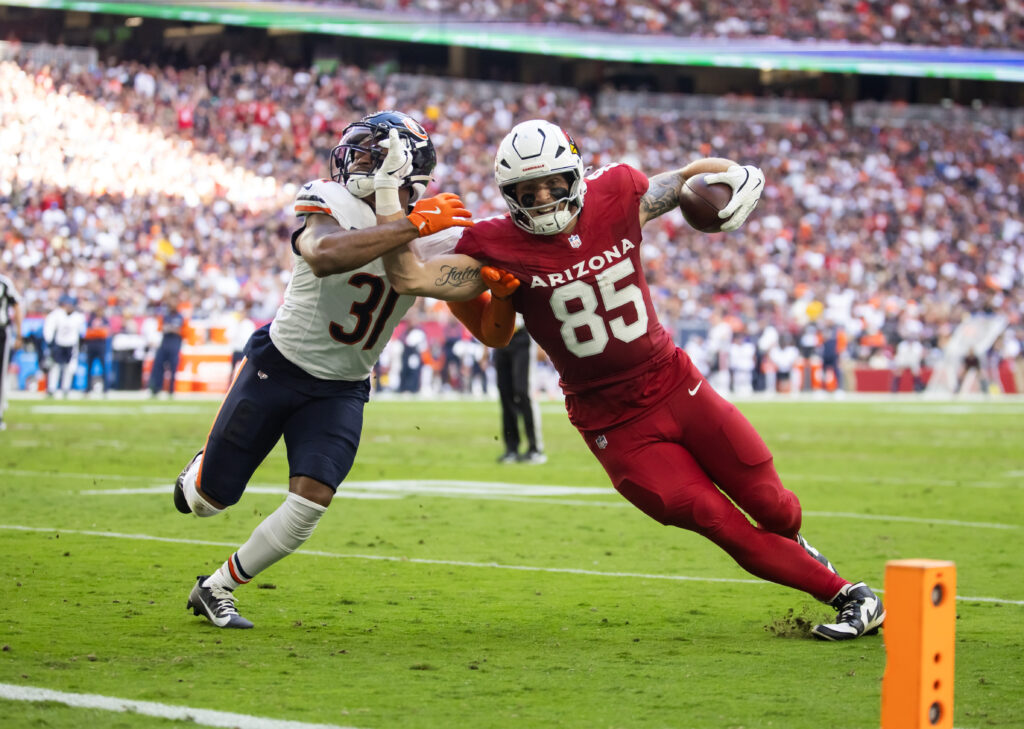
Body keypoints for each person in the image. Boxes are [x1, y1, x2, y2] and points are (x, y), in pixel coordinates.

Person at [384, 119, 885, 641]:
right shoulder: (495, 243)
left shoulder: (617, 191)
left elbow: (689, 175)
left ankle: (801, 551)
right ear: (508, 195)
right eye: (527, 191)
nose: (543, 197)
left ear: (574, 174)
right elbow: (411, 277)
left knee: (775, 508)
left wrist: (739, 175)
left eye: (553, 184)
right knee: (722, 524)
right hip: (615, 423)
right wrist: (400, 218)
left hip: (674, 383)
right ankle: (852, 596)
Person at [171, 110, 513, 629]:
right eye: (357, 150)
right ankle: (199, 471)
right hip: (279, 367)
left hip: (342, 389)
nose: (355, 160)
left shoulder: (440, 233)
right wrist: (411, 223)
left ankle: (216, 587)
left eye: (373, 153)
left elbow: (492, 333)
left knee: (310, 505)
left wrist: (505, 293)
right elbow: (325, 255)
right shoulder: (333, 201)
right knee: (204, 502)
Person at [494, 314, 545, 463]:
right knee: (505, 393)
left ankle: (535, 448)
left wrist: (540, 343)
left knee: (523, 392)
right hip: (500, 336)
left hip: (522, 336)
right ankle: (511, 448)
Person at [43, 294, 86, 398]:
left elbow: (82, 332)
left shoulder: (78, 317)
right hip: (59, 344)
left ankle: (65, 388)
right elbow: (49, 330)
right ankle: (52, 388)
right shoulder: (57, 315)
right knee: (55, 366)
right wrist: (50, 342)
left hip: (71, 345)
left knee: (69, 367)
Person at [1, 272, 24, 431]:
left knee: (0, 375)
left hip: (1, 331)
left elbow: (17, 304)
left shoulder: (4, 283)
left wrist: (19, 333)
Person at [148, 299, 185, 397]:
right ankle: (156, 388)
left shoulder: (181, 317)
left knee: (173, 367)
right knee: (158, 365)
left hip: (175, 344)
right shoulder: (165, 316)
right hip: (165, 343)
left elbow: (184, 331)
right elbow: (160, 328)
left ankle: (171, 390)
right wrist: (169, 328)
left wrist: (174, 330)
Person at [82, 302, 112, 395]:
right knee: (89, 368)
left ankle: (106, 388)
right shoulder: (91, 319)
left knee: (104, 367)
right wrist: (97, 332)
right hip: (91, 346)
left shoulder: (104, 320)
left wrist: (95, 333)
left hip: (101, 346)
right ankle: (88, 388)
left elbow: (105, 332)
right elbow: (87, 333)